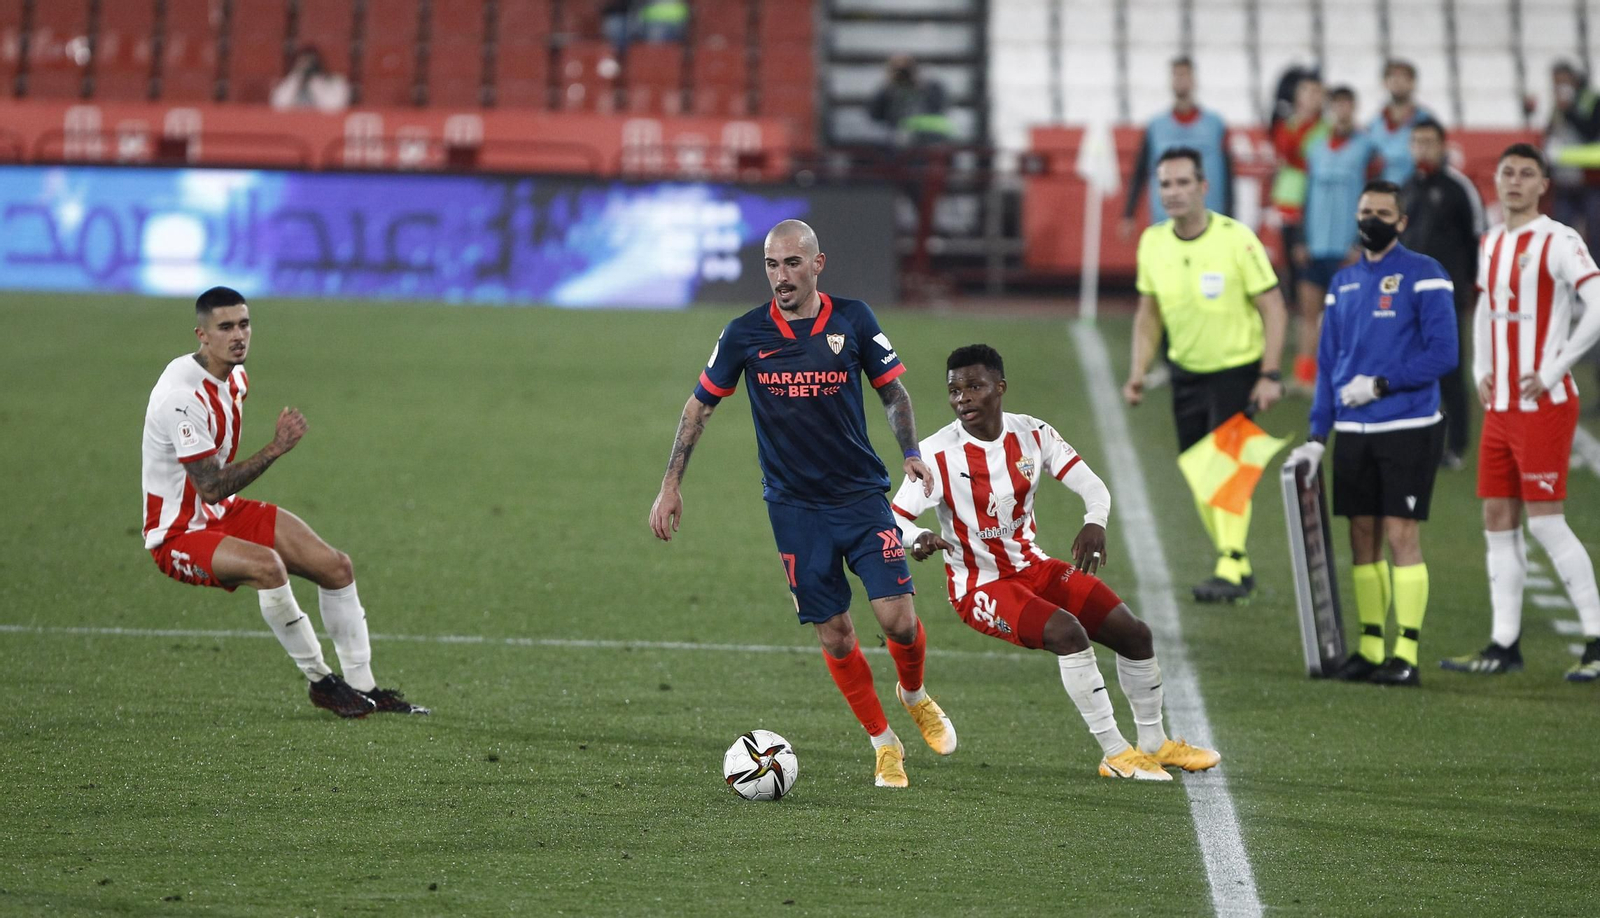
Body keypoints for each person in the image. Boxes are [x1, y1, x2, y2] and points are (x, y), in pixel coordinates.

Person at [648, 219, 956, 787]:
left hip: (862, 496)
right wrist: (671, 485)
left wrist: (910, 449)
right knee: (835, 633)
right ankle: (884, 744)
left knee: (900, 621)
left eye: (792, 263)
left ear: (817, 264)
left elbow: (892, 390)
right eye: (771, 264)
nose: (781, 276)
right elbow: (699, 408)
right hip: (794, 510)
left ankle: (913, 693)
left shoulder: (854, 319)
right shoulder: (744, 334)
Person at [892, 344, 1221, 780]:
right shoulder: (936, 453)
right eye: (954, 390)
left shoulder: (1034, 434)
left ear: (1000, 388)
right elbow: (893, 519)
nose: (963, 399)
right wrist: (918, 538)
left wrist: (1095, 522)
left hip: (1034, 567)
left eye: (975, 387)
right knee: (1068, 633)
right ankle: (1116, 753)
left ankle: (1154, 743)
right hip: (980, 586)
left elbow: (1092, 486)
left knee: (1135, 634)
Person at [141, 287, 427, 717]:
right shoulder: (182, 398)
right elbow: (211, 487)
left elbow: (219, 493)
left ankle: (363, 686)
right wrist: (275, 448)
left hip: (224, 514)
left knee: (336, 567)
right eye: (225, 327)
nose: (238, 335)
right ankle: (321, 682)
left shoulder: (235, 377)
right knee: (268, 567)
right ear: (201, 334)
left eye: (244, 323)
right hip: (178, 534)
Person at [1286, 181, 1458, 687]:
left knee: (1401, 533)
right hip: (1354, 431)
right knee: (1362, 536)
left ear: (1401, 222)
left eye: (1383, 212)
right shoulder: (1342, 283)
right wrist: (1318, 435)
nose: (1372, 219)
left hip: (1407, 425)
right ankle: (1369, 646)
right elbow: (1327, 363)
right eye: (1366, 211)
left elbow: (1444, 354)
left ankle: (1405, 653)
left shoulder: (1426, 274)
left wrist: (1381, 385)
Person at [1441, 144, 1600, 682]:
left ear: (1542, 184)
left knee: (1548, 525)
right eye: (1506, 171)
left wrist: (1554, 370)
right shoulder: (1492, 241)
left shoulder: (1559, 240)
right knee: (1497, 521)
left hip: (1543, 405)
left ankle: (1597, 641)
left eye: (1525, 173)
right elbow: (1485, 306)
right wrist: (1480, 366)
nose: (1513, 180)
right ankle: (1503, 643)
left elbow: (1598, 304)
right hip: (1501, 406)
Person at [1124, 147, 1289, 602]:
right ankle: (1236, 561)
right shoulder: (1153, 242)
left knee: (1227, 471)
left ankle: (1231, 565)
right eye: (1165, 184)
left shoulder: (1237, 239)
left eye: (1181, 183)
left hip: (1237, 369)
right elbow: (1148, 312)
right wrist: (1138, 370)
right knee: (1201, 473)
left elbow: (1274, 307)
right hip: (1187, 373)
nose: (1173, 193)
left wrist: (1271, 373)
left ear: (1203, 187)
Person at [1399, 118, 1485, 468]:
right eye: (1416, 141)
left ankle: (1457, 445)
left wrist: (1471, 285)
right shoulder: (1405, 188)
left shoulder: (1458, 188)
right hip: (1407, 293)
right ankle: (1414, 436)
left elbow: (1477, 237)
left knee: (1449, 367)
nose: (1422, 147)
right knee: (1408, 363)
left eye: (1429, 141)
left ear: (1443, 146)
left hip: (1446, 295)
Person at [1295, 86, 1383, 392]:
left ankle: (1345, 374)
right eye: (1337, 105)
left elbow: (1375, 199)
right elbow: (1304, 193)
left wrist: (1361, 242)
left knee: (1348, 317)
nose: (1342, 111)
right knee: (1308, 313)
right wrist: (1301, 238)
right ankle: (1305, 376)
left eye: (1347, 105)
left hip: (1347, 245)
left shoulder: (1367, 147)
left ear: (1354, 108)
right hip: (1316, 242)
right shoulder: (1315, 147)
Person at [1121, 56, 1233, 236]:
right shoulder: (1155, 127)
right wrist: (1128, 213)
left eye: (1185, 74)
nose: (1181, 80)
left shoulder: (1216, 125)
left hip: (1209, 220)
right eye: (1176, 75)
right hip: (1165, 221)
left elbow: (1228, 174)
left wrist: (1231, 216)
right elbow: (1140, 171)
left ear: (1194, 80)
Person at [1270, 74, 1326, 327]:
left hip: (1317, 204)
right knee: (1291, 262)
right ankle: (1298, 315)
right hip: (1289, 204)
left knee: (1312, 262)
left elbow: (1300, 157)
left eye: (1316, 92)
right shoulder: (1288, 124)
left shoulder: (1324, 128)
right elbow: (1287, 151)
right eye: (1306, 91)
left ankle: (1315, 315)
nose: (1311, 97)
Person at [1543, 61, 1600, 242]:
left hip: (1590, 180)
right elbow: (1551, 136)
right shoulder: (1557, 106)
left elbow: (1591, 132)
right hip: (1564, 181)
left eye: (1563, 82)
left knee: (1595, 235)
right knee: (1560, 234)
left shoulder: (1591, 101)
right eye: (1556, 83)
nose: (1560, 87)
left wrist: (1569, 111)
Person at [1367, 59, 1433, 185]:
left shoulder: (1426, 122)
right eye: (1392, 76)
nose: (1398, 81)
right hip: (1384, 198)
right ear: (1384, 83)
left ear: (1413, 83)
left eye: (1404, 77)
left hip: (1417, 195)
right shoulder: (1373, 125)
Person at [867, 54, 953, 148]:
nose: (903, 76)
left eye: (906, 71)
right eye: (898, 72)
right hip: (895, 142)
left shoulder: (931, 88)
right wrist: (888, 86)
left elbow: (938, 111)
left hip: (928, 141)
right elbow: (874, 115)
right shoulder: (888, 91)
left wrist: (920, 86)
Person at [269, 46, 350, 112]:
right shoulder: (291, 82)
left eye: (311, 63)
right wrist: (297, 76)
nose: (307, 66)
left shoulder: (335, 81)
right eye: (302, 63)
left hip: (324, 126)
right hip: (293, 125)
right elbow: (278, 105)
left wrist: (315, 80)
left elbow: (333, 108)